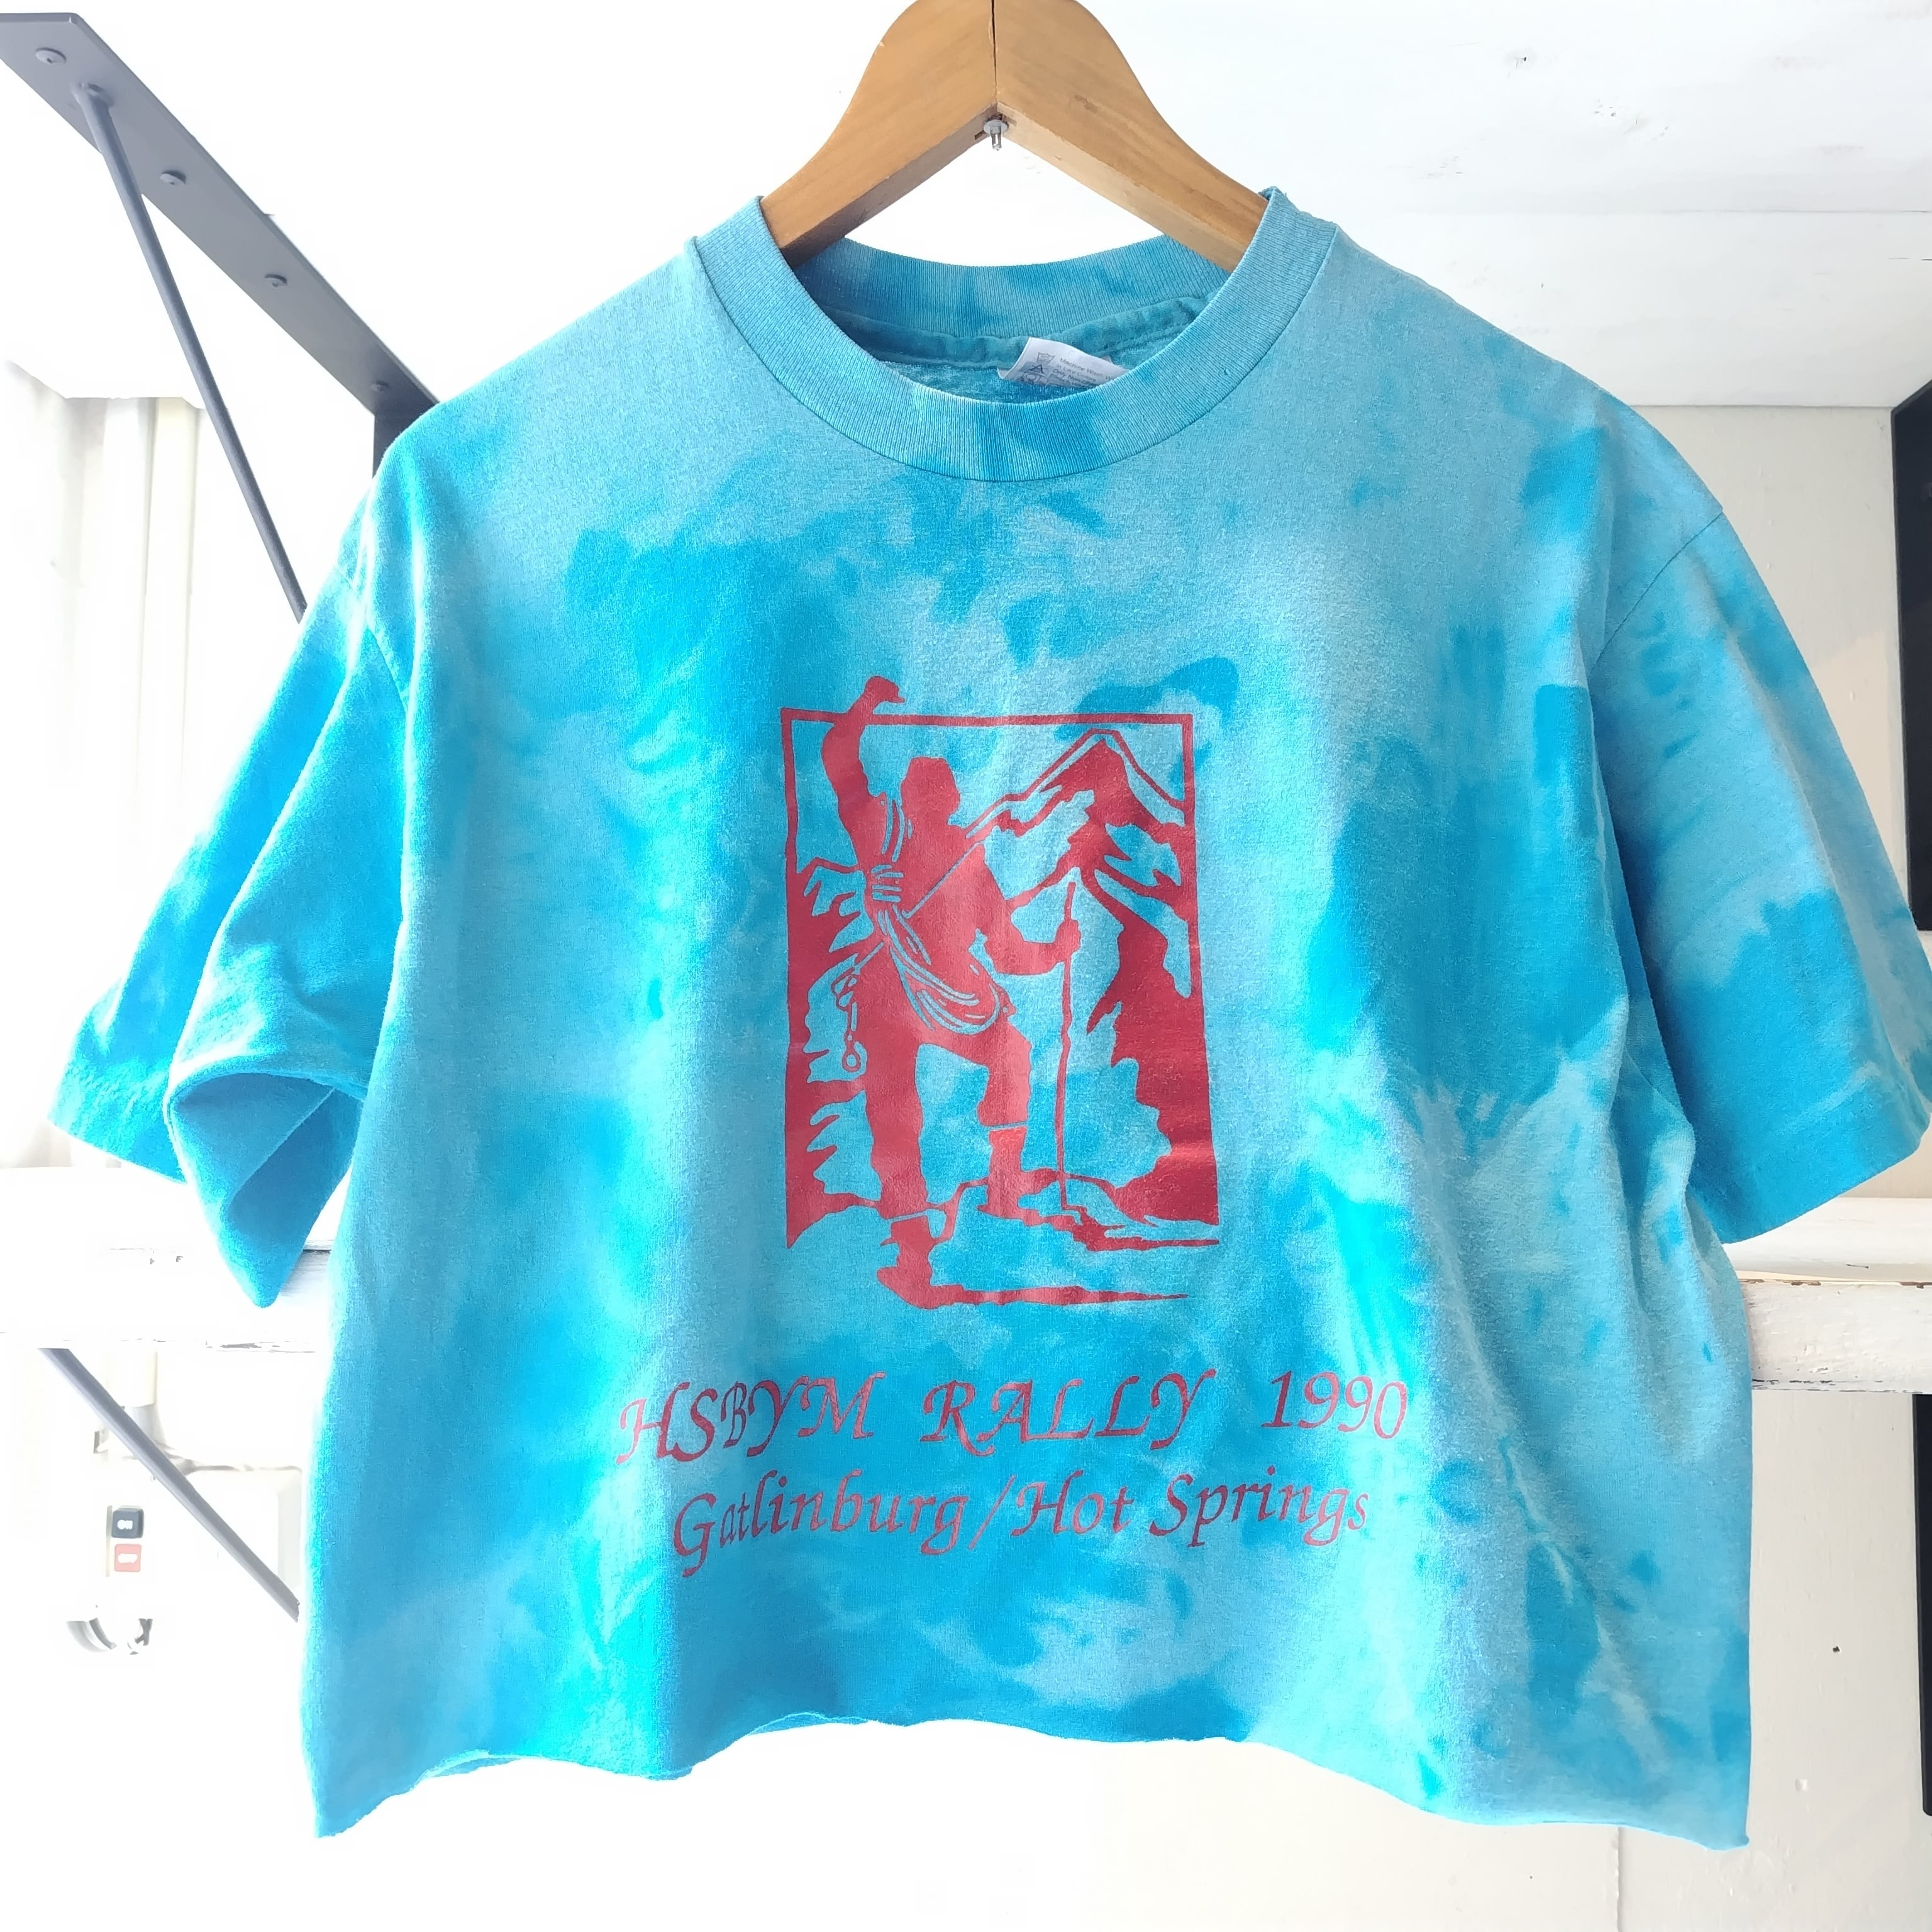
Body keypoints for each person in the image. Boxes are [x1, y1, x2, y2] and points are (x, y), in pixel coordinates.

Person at [822, 677, 1077, 1306]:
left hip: (916, 996)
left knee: (910, 1107)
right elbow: (1013, 956)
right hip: (906, 993)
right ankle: (973, 1214)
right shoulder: (923, 847)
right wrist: (1060, 947)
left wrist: (864, 707)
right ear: (950, 799)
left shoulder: (911, 842)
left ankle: (953, 1226)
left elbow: (839, 759)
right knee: (993, 1062)